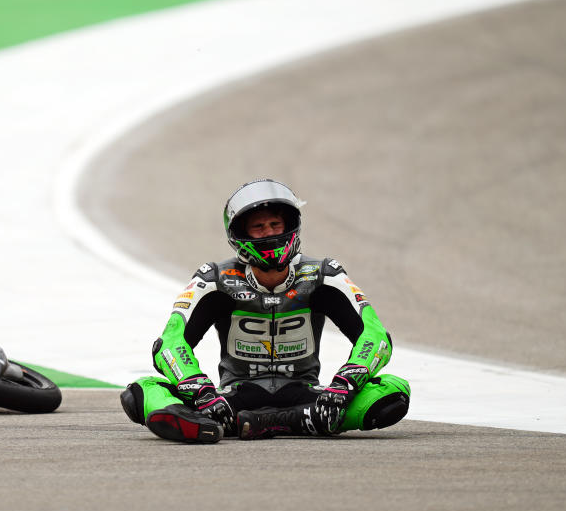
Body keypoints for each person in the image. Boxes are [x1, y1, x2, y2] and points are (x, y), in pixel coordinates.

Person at [120, 179, 410, 443]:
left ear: (291, 227)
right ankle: (294, 424)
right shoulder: (214, 279)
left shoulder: (323, 274)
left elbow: (375, 336)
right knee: (141, 391)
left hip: (305, 395)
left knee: (394, 391)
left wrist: (345, 383)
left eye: (275, 225)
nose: (269, 234)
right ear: (239, 234)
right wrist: (201, 391)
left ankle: (252, 425)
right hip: (236, 396)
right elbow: (170, 344)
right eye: (258, 227)